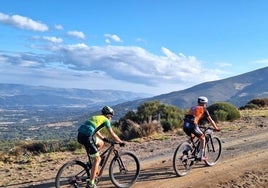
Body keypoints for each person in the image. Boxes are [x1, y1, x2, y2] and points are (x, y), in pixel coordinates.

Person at [77, 106, 125, 188]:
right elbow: (112, 134)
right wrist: (120, 141)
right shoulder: (106, 120)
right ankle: (91, 183)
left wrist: (103, 138)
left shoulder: (97, 117)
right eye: (111, 116)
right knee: (98, 159)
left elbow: (96, 130)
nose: (111, 118)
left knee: (101, 143)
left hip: (80, 136)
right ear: (109, 115)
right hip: (87, 137)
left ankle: (92, 161)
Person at [183, 96, 220, 161]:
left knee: (193, 136)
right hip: (193, 126)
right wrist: (216, 128)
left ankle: (185, 152)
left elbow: (193, 117)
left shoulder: (193, 108)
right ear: (205, 103)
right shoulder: (204, 109)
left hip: (185, 126)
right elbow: (211, 121)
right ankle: (200, 156)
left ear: (198, 102)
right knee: (203, 138)